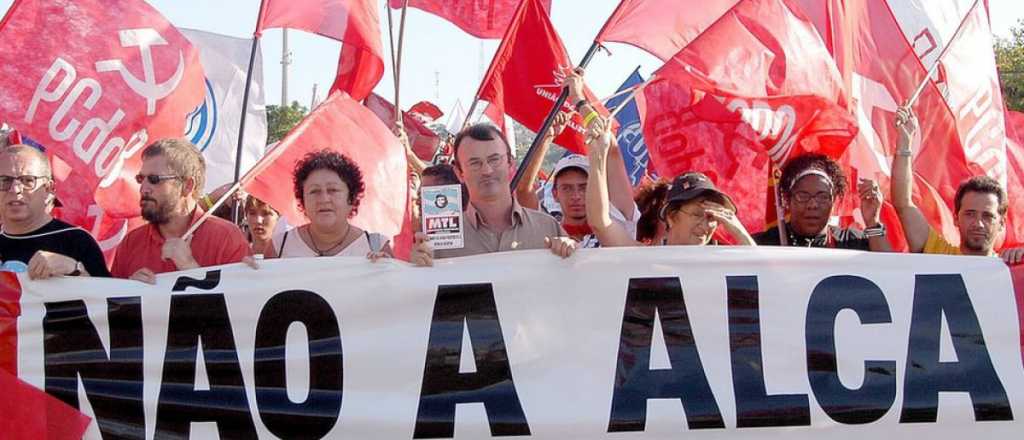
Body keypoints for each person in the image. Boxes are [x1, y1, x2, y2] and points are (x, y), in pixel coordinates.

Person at [515, 69, 639, 247]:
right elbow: (523, 191)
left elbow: (608, 143)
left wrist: (578, 100)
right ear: (555, 194)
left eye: (583, 187)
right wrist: (546, 138)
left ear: (596, 187)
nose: (576, 196)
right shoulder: (548, 229)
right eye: (567, 188)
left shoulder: (617, 221)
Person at [585, 120, 755, 246]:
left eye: (712, 218)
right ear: (672, 217)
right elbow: (601, 223)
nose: (706, 226)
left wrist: (740, 232)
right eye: (697, 214)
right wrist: (598, 155)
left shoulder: (720, 263)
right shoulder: (645, 258)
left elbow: (763, 272)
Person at [890, 107, 1023, 263]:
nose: (978, 224)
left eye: (988, 216)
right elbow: (903, 203)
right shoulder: (938, 254)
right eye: (970, 214)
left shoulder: (1013, 266)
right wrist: (904, 144)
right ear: (955, 218)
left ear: (1001, 223)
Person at [111, 139, 251, 282]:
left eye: (154, 179)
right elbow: (111, 294)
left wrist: (190, 267)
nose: (143, 189)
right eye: (141, 178)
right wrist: (129, 290)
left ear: (187, 186)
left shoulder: (227, 239)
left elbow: (241, 294)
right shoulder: (131, 243)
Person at [435, 123, 577, 259]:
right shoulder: (440, 242)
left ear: (510, 163)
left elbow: (575, 272)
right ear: (459, 173)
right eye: (475, 163)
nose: (487, 170)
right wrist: (422, 263)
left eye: (494, 159)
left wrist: (572, 252)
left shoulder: (548, 228)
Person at [0, 144, 109, 278]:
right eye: (4, 180)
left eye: (27, 181)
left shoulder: (76, 241)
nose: (15, 189)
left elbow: (108, 291)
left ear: (48, 189)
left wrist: (74, 268)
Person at [264, 150, 392, 259]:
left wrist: (388, 268)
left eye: (333, 190)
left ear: (351, 197)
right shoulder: (279, 247)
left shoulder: (376, 246)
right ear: (303, 200)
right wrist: (252, 271)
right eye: (314, 191)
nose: (324, 199)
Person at [752, 153, 892, 251]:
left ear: (834, 201)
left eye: (822, 197)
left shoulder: (852, 243)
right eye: (803, 196)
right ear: (787, 200)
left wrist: (873, 222)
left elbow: (888, 272)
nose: (812, 205)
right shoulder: (763, 245)